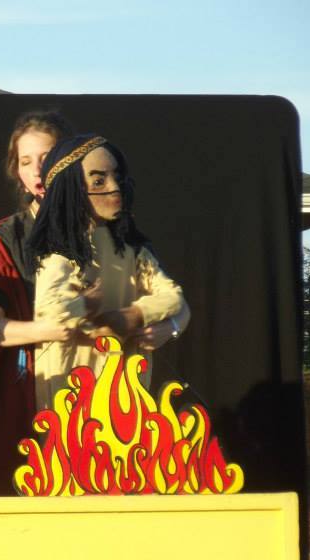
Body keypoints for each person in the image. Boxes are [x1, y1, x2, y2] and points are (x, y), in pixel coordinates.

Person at [0, 110, 75, 497]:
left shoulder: (106, 237)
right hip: (24, 401)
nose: (37, 170)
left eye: (47, 157)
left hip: (93, 399)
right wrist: (59, 329)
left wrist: (165, 323)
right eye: (26, 161)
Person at [27, 134, 189, 409]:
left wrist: (137, 315)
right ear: (72, 191)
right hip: (74, 401)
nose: (114, 188)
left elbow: (174, 297)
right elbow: (52, 313)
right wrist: (89, 304)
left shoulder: (133, 252)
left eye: (117, 177)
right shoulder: (58, 257)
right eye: (99, 181)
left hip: (129, 398)